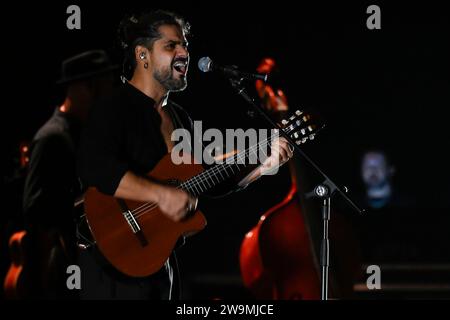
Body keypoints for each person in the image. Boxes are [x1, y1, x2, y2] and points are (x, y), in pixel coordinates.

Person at [77, 10, 293, 300]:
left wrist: (264, 165)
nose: (184, 53)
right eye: (171, 46)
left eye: (185, 46)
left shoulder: (179, 117)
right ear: (143, 55)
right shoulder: (113, 107)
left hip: (157, 262)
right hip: (111, 266)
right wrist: (161, 195)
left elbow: (210, 178)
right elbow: (97, 170)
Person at [22, 50, 117, 299]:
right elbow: (38, 213)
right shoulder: (54, 138)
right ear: (86, 87)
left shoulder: (88, 135)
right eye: (104, 89)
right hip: (65, 276)